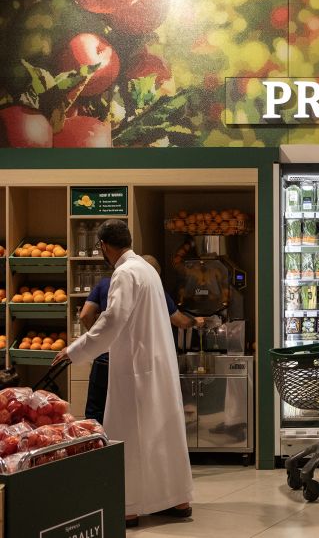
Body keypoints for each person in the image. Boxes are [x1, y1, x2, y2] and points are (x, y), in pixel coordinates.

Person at [52, 220, 193, 528]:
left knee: (129, 433)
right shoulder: (147, 270)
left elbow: (112, 321)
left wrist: (75, 350)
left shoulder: (124, 273)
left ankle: (128, 506)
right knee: (162, 433)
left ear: (104, 246)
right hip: (158, 364)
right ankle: (176, 498)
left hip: (135, 368)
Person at [81, 255, 203, 425]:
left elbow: (85, 314)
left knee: (95, 414)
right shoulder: (153, 288)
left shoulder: (104, 284)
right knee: (129, 416)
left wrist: (101, 341)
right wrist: (196, 321)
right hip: (131, 361)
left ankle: (96, 448)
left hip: (103, 359)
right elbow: (179, 321)